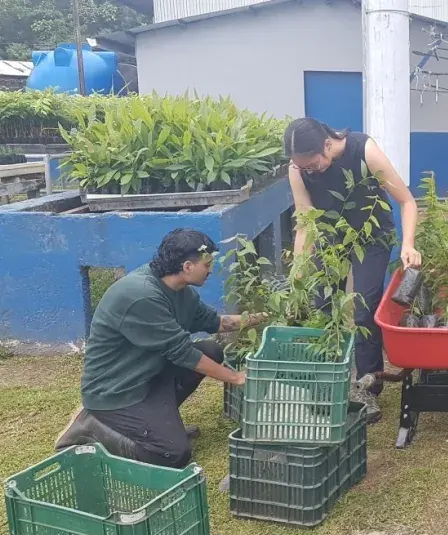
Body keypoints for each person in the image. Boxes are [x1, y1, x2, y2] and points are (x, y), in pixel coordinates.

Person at [55, 228, 268, 468]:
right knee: (173, 454)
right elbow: (183, 353)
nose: (211, 269)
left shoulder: (180, 291)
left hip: (147, 375)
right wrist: (235, 377)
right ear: (187, 266)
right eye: (207, 264)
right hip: (117, 391)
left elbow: (215, 323)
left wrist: (260, 317)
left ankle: (157, 428)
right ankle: (93, 428)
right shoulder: (141, 296)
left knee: (212, 352)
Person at [284, 118, 422, 424]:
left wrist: (408, 244)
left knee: (363, 307)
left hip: (372, 237)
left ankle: (367, 384)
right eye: (301, 167)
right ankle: (330, 379)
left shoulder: (363, 150)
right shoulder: (297, 170)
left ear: (327, 145)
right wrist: (299, 267)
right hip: (332, 238)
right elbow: (306, 219)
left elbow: (407, 201)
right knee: (321, 304)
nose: (309, 170)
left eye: (312, 164)